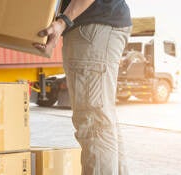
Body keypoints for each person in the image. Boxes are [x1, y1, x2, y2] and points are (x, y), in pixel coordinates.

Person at [34, 0, 132, 174]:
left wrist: (63, 21)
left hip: (93, 28)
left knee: (94, 124)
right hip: (95, 28)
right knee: (101, 122)